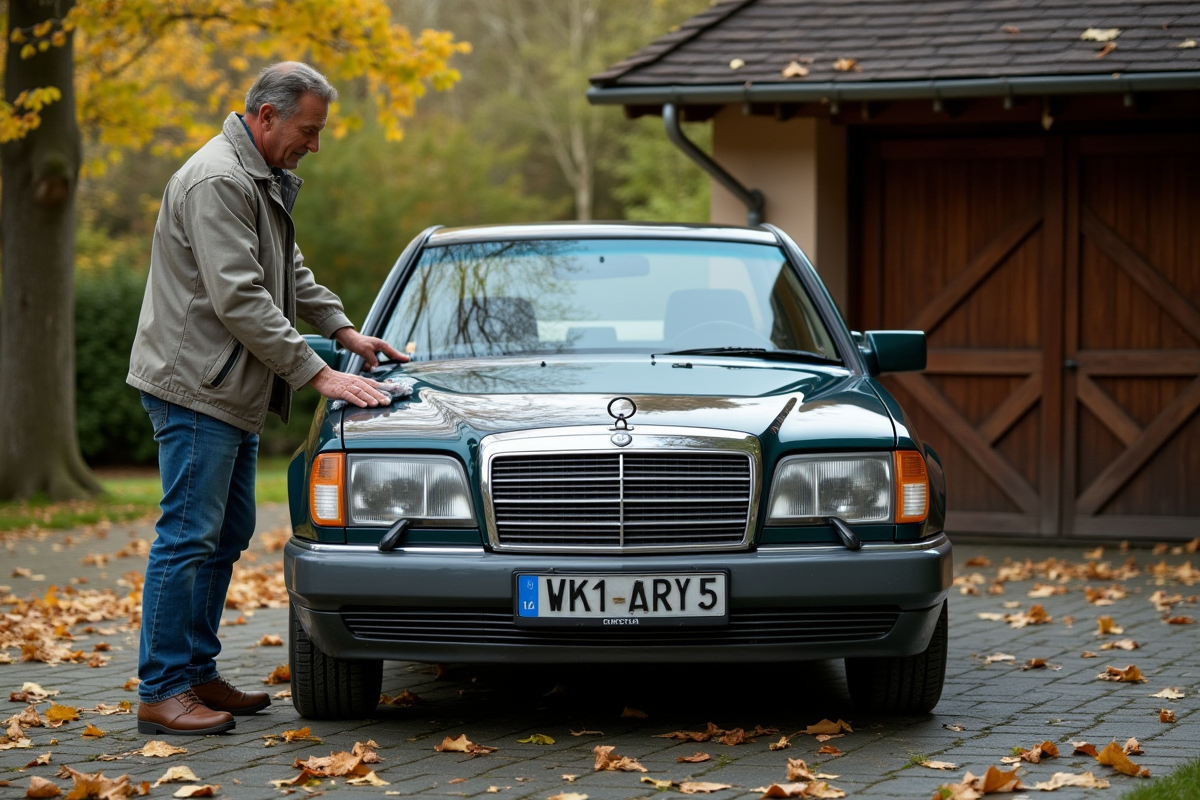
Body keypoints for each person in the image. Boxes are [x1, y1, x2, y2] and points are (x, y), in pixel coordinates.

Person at [127, 62, 405, 735]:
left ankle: (195, 673)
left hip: (227, 389)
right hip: (196, 387)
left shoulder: (258, 179)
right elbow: (241, 298)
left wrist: (342, 330)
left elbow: (288, 272)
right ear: (266, 116)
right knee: (188, 538)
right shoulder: (220, 179)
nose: (315, 144)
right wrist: (319, 373)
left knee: (226, 534)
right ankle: (162, 689)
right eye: (309, 131)